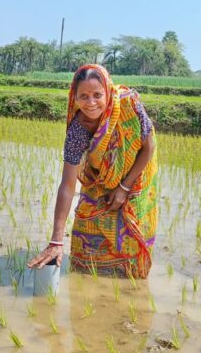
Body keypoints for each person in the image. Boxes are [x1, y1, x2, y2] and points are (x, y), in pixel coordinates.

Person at [26, 64, 159, 279]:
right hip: (101, 176)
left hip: (137, 170)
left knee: (130, 230)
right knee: (87, 228)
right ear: (75, 98)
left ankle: (130, 279)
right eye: (84, 96)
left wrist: (124, 187)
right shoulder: (77, 130)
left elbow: (149, 147)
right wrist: (56, 241)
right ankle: (86, 278)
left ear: (107, 91)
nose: (91, 103)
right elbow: (68, 185)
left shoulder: (128, 105)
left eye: (97, 95)